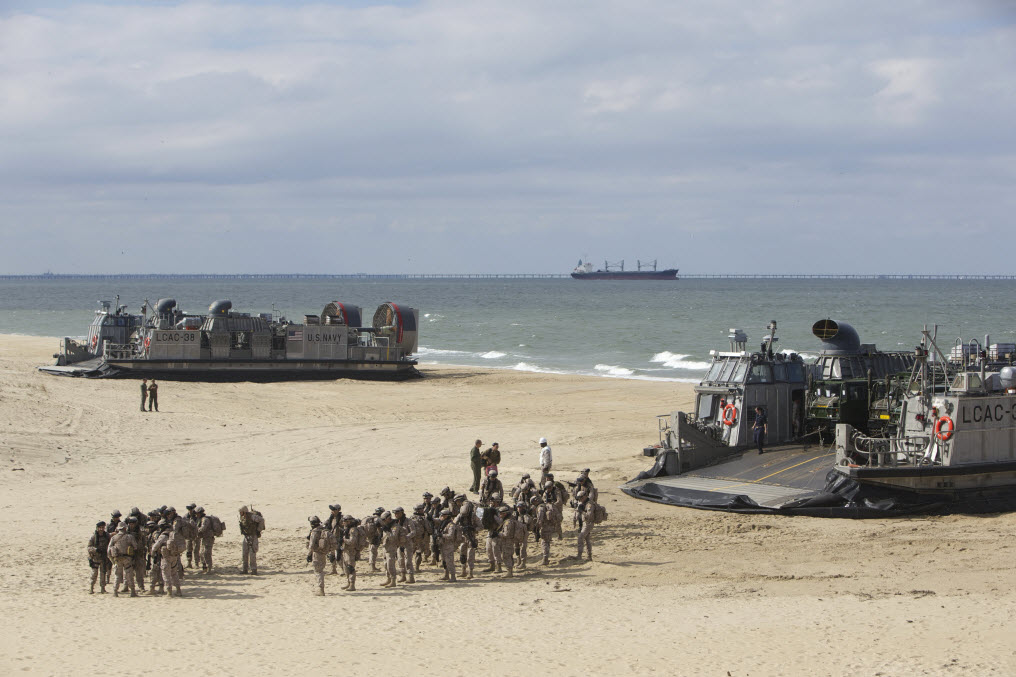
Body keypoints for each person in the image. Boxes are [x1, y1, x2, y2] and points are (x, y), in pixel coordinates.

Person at [306, 516, 333, 596]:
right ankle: (320, 589)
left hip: (317, 553)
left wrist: (309, 555)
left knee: (318, 571)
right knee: (320, 570)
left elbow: (311, 545)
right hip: (323, 552)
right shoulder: (323, 529)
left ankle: (321, 589)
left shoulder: (314, 532)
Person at [238, 505, 264, 575]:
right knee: (244, 553)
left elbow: (261, 520)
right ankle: (245, 569)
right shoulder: (243, 517)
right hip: (246, 536)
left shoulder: (252, 516)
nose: (240, 513)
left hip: (253, 536)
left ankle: (254, 570)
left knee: (252, 553)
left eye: (241, 512)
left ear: (244, 511)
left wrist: (258, 530)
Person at [339, 514, 363, 591]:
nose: (343, 523)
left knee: (350, 568)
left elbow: (353, 541)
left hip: (351, 551)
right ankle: (348, 583)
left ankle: (352, 585)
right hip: (346, 550)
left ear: (349, 522)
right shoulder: (347, 529)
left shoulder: (353, 530)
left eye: (345, 521)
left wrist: (344, 540)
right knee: (345, 568)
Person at [436, 508, 461, 582]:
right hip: (443, 544)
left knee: (449, 561)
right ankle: (446, 575)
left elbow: (450, 535)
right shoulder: (443, 524)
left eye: (442, 516)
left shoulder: (451, 525)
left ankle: (453, 577)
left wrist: (441, 535)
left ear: (446, 516)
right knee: (444, 561)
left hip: (448, 545)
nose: (441, 517)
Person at [87, 521, 110, 594]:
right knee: (94, 574)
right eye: (100, 528)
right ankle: (91, 587)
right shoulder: (93, 537)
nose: (101, 529)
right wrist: (96, 550)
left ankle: (103, 588)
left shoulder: (107, 536)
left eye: (103, 527)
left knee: (103, 573)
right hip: (95, 558)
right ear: (97, 528)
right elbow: (89, 547)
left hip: (104, 558)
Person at [573, 490, 595, 561]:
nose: (580, 500)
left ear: (585, 496)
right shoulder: (583, 503)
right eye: (579, 498)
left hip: (588, 523)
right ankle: (589, 556)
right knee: (587, 539)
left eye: (581, 498)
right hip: (584, 523)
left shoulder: (589, 505)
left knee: (580, 538)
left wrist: (582, 511)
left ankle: (579, 555)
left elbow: (589, 516)